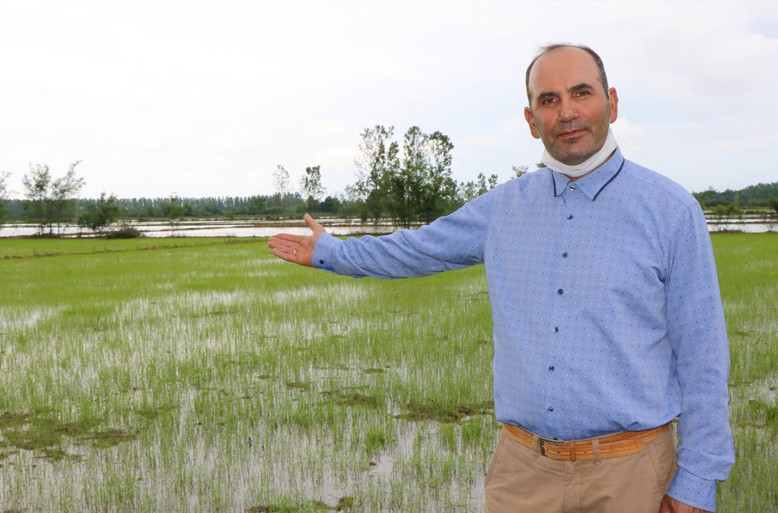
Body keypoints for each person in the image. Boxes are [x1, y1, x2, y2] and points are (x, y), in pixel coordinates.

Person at [268, 44, 734, 513]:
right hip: (523, 474)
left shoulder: (671, 212)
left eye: (581, 93)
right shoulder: (504, 208)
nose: (567, 112)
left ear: (611, 102)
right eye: (548, 100)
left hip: (632, 474)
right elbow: (418, 248)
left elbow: (703, 356)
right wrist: (333, 252)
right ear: (532, 121)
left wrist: (696, 481)